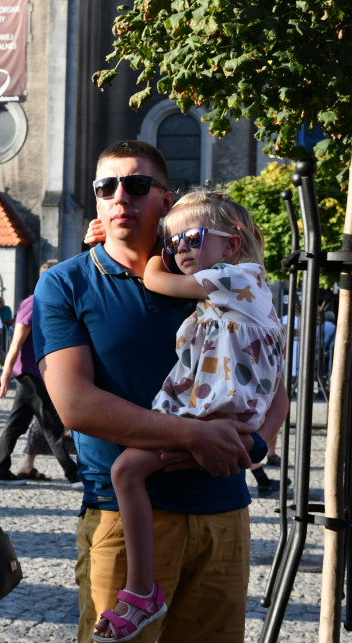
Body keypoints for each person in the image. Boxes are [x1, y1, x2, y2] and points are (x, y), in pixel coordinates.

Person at [34, 140, 288, 643]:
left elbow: (273, 380)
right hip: (123, 517)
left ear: (166, 200)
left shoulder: (209, 277)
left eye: (137, 184)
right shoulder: (66, 284)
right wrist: (194, 437)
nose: (120, 196)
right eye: (106, 187)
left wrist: (259, 443)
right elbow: (75, 404)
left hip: (222, 512)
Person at [88, 188, 285, 641]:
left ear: (232, 244)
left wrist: (154, 252)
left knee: (125, 472)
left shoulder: (237, 278)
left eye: (190, 239)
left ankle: (140, 591)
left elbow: (156, 279)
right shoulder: (235, 292)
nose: (179, 251)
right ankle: (141, 589)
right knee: (129, 472)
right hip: (214, 420)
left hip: (211, 417)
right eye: (173, 244)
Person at [0, 261, 80, 487]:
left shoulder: (50, 302)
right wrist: (5, 375)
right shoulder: (33, 304)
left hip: (35, 373)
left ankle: (0, 471)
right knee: (51, 425)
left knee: (16, 425)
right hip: (29, 374)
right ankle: (73, 475)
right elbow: (16, 343)